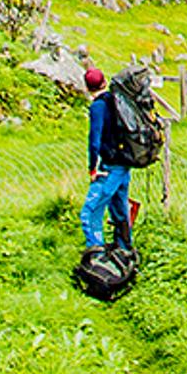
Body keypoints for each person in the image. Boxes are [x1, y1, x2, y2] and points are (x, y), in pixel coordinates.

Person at [80, 66, 135, 253]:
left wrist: (93, 168)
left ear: (87, 88)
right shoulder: (118, 100)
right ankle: (125, 249)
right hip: (124, 163)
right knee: (119, 208)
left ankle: (96, 255)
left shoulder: (98, 107)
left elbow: (94, 140)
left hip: (109, 166)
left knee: (90, 212)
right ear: (104, 82)